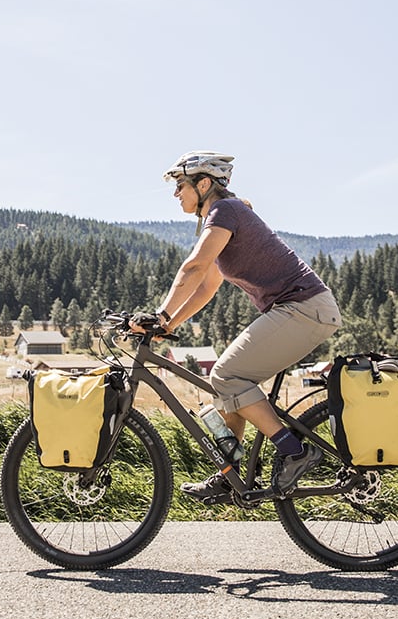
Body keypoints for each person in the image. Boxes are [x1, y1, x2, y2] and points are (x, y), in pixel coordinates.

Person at [135, 151, 342, 503]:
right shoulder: (221, 218)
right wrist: (167, 324)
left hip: (305, 308)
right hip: (298, 309)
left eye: (180, 186)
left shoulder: (225, 212)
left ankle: (295, 452)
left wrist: (159, 313)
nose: (176, 195)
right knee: (227, 390)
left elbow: (194, 268)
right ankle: (229, 475)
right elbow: (206, 287)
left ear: (204, 184)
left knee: (227, 375)